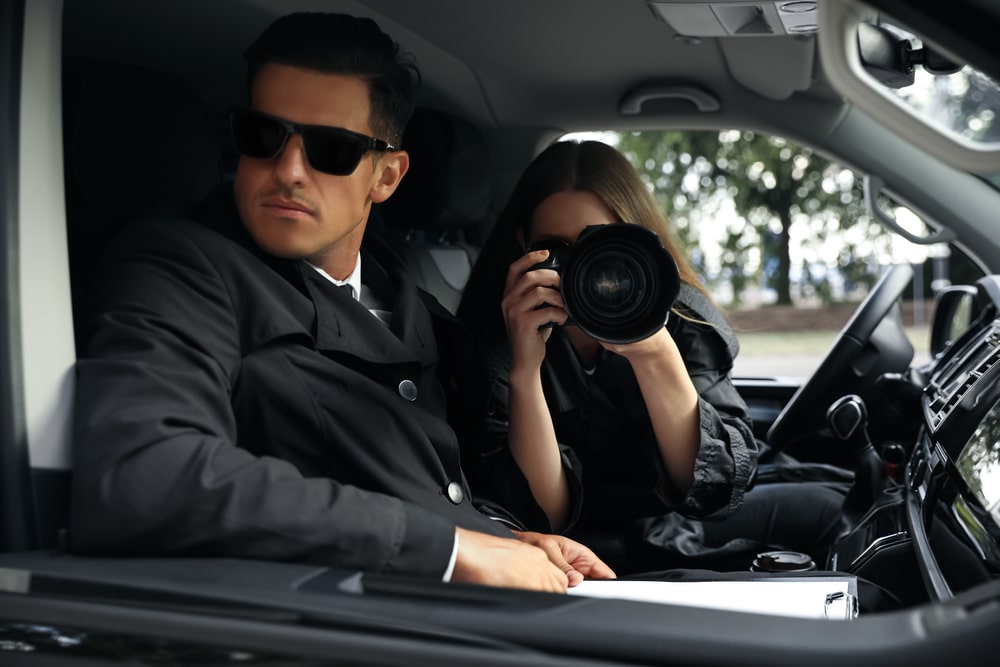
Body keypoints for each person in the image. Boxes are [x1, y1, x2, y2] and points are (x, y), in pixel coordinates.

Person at [68, 12, 615, 593]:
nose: (288, 171)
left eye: (331, 149)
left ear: (387, 177)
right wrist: (452, 549)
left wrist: (501, 536)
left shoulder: (416, 307)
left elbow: (433, 483)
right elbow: (144, 474)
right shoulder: (180, 266)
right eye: (263, 135)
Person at [453, 139, 847, 575]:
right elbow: (544, 515)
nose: (584, 272)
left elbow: (710, 489)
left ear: (638, 244)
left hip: (673, 515)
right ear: (523, 244)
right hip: (578, 545)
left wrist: (654, 349)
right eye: (556, 250)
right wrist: (525, 369)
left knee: (835, 503)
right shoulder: (496, 336)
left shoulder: (680, 317)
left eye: (599, 249)